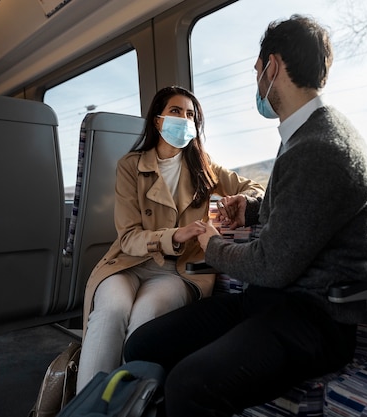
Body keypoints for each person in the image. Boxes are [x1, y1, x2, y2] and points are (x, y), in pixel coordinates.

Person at [123, 15, 367, 416]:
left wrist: (211, 244)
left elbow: (271, 265)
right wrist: (251, 209)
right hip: (271, 302)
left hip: (312, 320)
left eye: (257, 71)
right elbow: (301, 208)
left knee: (189, 386)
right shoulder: (304, 134)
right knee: (143, 344)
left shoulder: (321, 146)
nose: (257, 81)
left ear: (272, 67)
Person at [75, 86, 264, 392]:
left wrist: (239, 199)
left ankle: (127, 405)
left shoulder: (205, 167)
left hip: (179, 269)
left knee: (146, 318)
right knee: (110, 312)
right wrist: (174, 234)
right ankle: (89, 407)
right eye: (176, 111)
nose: (184, 119)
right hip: (130, 263)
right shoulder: (130, 166)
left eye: (191, 114)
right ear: (158, 120)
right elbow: (128, 237)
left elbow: (256, 188)